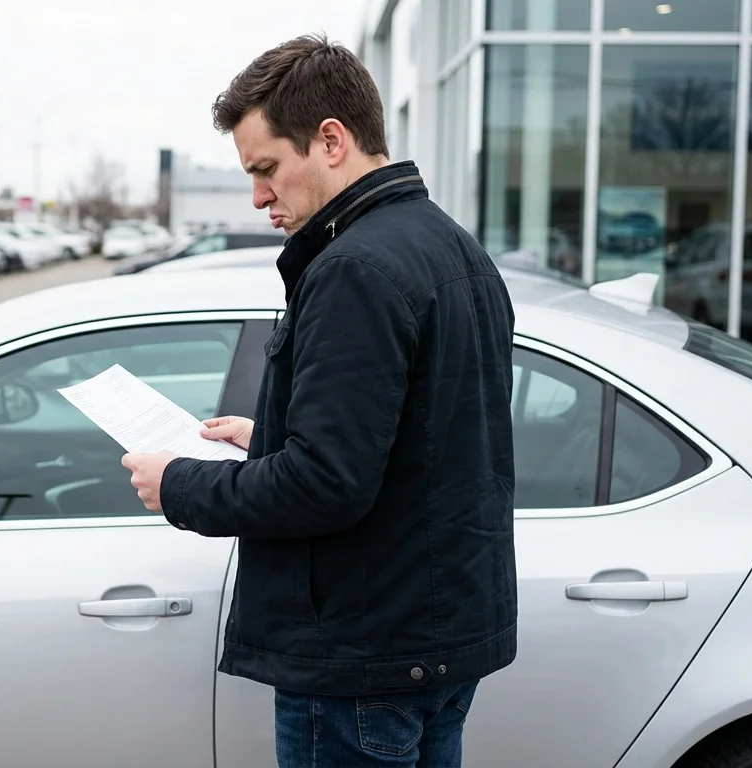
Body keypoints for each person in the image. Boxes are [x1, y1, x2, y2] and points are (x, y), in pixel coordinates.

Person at [120, 34, 518, 767]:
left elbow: (324, 487)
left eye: (267, 168)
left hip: (361, 658)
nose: (258, 195)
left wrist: (178, 482)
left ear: (331, 140)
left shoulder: (355, 269)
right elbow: (422, 439)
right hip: (430, 642)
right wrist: (270, 433)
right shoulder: (453, 248)